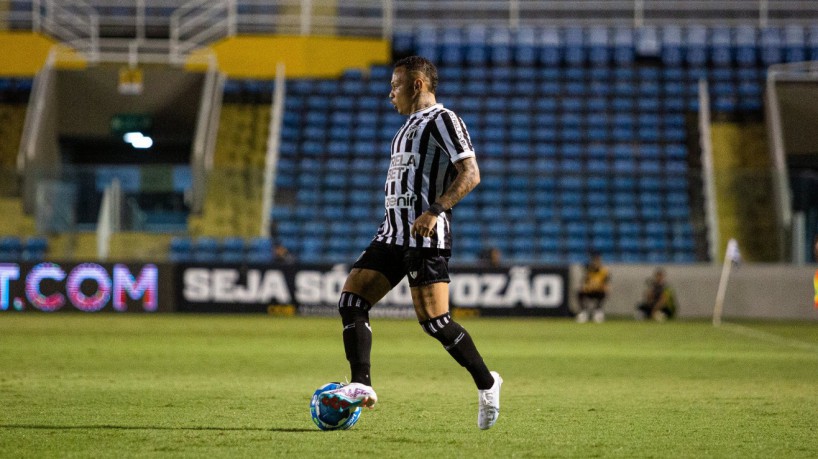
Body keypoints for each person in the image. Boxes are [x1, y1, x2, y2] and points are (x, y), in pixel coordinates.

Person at [317, 56, 502, 430]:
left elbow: (471, 173)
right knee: (352, 301)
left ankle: (488, 384)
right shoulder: (404, 129)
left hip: (425, 236)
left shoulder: (444, 120)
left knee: (436, 323)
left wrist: (435, 209)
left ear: (417, 84)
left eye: (395, 85)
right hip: (391, 233)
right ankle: (361, 385)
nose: (390, 94)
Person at [576, 252, 610, 323]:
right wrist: (587, 287)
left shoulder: (604, 271)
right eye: (595, 260)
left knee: (604, 292)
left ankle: (597, 311)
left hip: (598, 291)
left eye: (598, 260)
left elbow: (606, 285)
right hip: (589, 291)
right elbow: (584, 283)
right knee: (579, 292)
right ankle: (583, 311)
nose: (596, 262)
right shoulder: (589, 270)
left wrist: (600, 287)